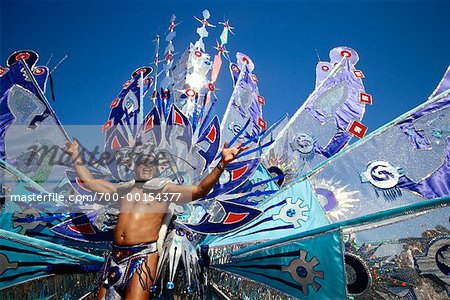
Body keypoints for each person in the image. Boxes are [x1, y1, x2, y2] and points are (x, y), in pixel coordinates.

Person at [65, 140, 248, 300]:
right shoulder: (123, 190)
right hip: (115, 256)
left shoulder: (164, 190)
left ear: (158, 168)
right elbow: (90, 183)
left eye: (151, 163)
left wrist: (221, 164)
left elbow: (198, 190)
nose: (146, 166)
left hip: (142, 257)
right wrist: (76, 156)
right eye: (142, 162)